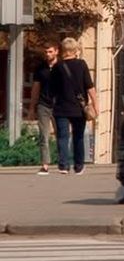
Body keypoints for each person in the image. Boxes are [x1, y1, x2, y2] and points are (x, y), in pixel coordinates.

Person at [50, 37, 97, 175]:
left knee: (63, 137)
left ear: (63, 50)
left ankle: (64, 166)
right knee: (78, 136)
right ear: (75, 50)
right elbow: (90, 87)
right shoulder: (82, 64)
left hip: (61, 107)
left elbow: (52, 89)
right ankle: (79, 166)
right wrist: (95, 104)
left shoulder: (58, 67)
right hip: (79, 108)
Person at [29, 42, 60, 176]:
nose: (47, 54)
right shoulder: (41, 68)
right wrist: (32, 107)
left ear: (56, 51)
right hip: (43, 105)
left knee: (61, 135)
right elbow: (35, 88)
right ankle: (45, 165)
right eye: (46, 52)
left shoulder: (62, 67)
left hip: (59, 105)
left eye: (50, 52)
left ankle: (63, 162)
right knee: (44, 136)